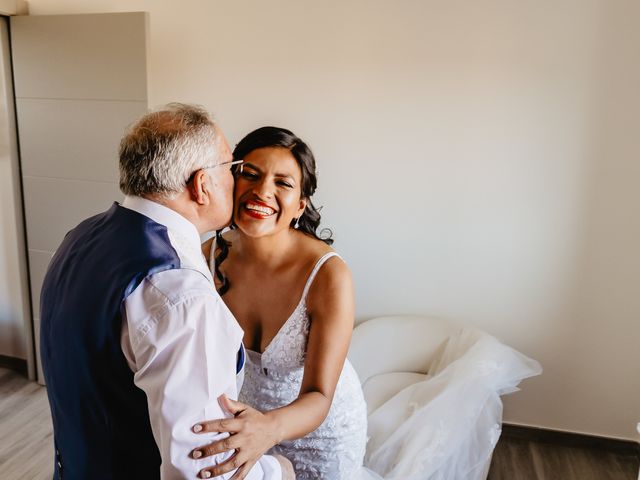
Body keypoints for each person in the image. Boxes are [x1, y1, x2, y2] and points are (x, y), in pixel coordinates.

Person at [39, 105, 293, 479]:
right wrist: (277, 471)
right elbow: (202, 467)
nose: (237, 180)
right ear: (202, 184)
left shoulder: (80, 237)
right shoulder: (179, 293)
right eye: (230, 167)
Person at [195, 127, 379, 480]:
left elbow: (320, 395)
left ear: (300, 205)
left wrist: (267, 430)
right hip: (243, 427)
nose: (262, 191)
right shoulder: (208, 258)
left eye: (283, 183)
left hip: (319, 431)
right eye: (250, 174)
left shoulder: (328, 275)